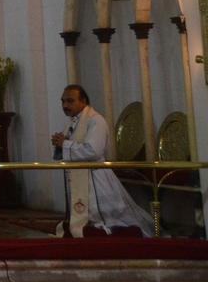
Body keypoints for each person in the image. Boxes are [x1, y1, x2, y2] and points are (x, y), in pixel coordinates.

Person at [51, 84, 153, 237]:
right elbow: (72, 148)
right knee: (86, 216)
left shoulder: (96, 121)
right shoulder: (73, 122)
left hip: (96, 178)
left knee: (108, 219)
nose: (65, 105)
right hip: (81, 177)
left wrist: (64, 144)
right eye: (63, 101)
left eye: (70, 101)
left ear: (83, 101)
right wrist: (60, 144)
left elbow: (93, 150)